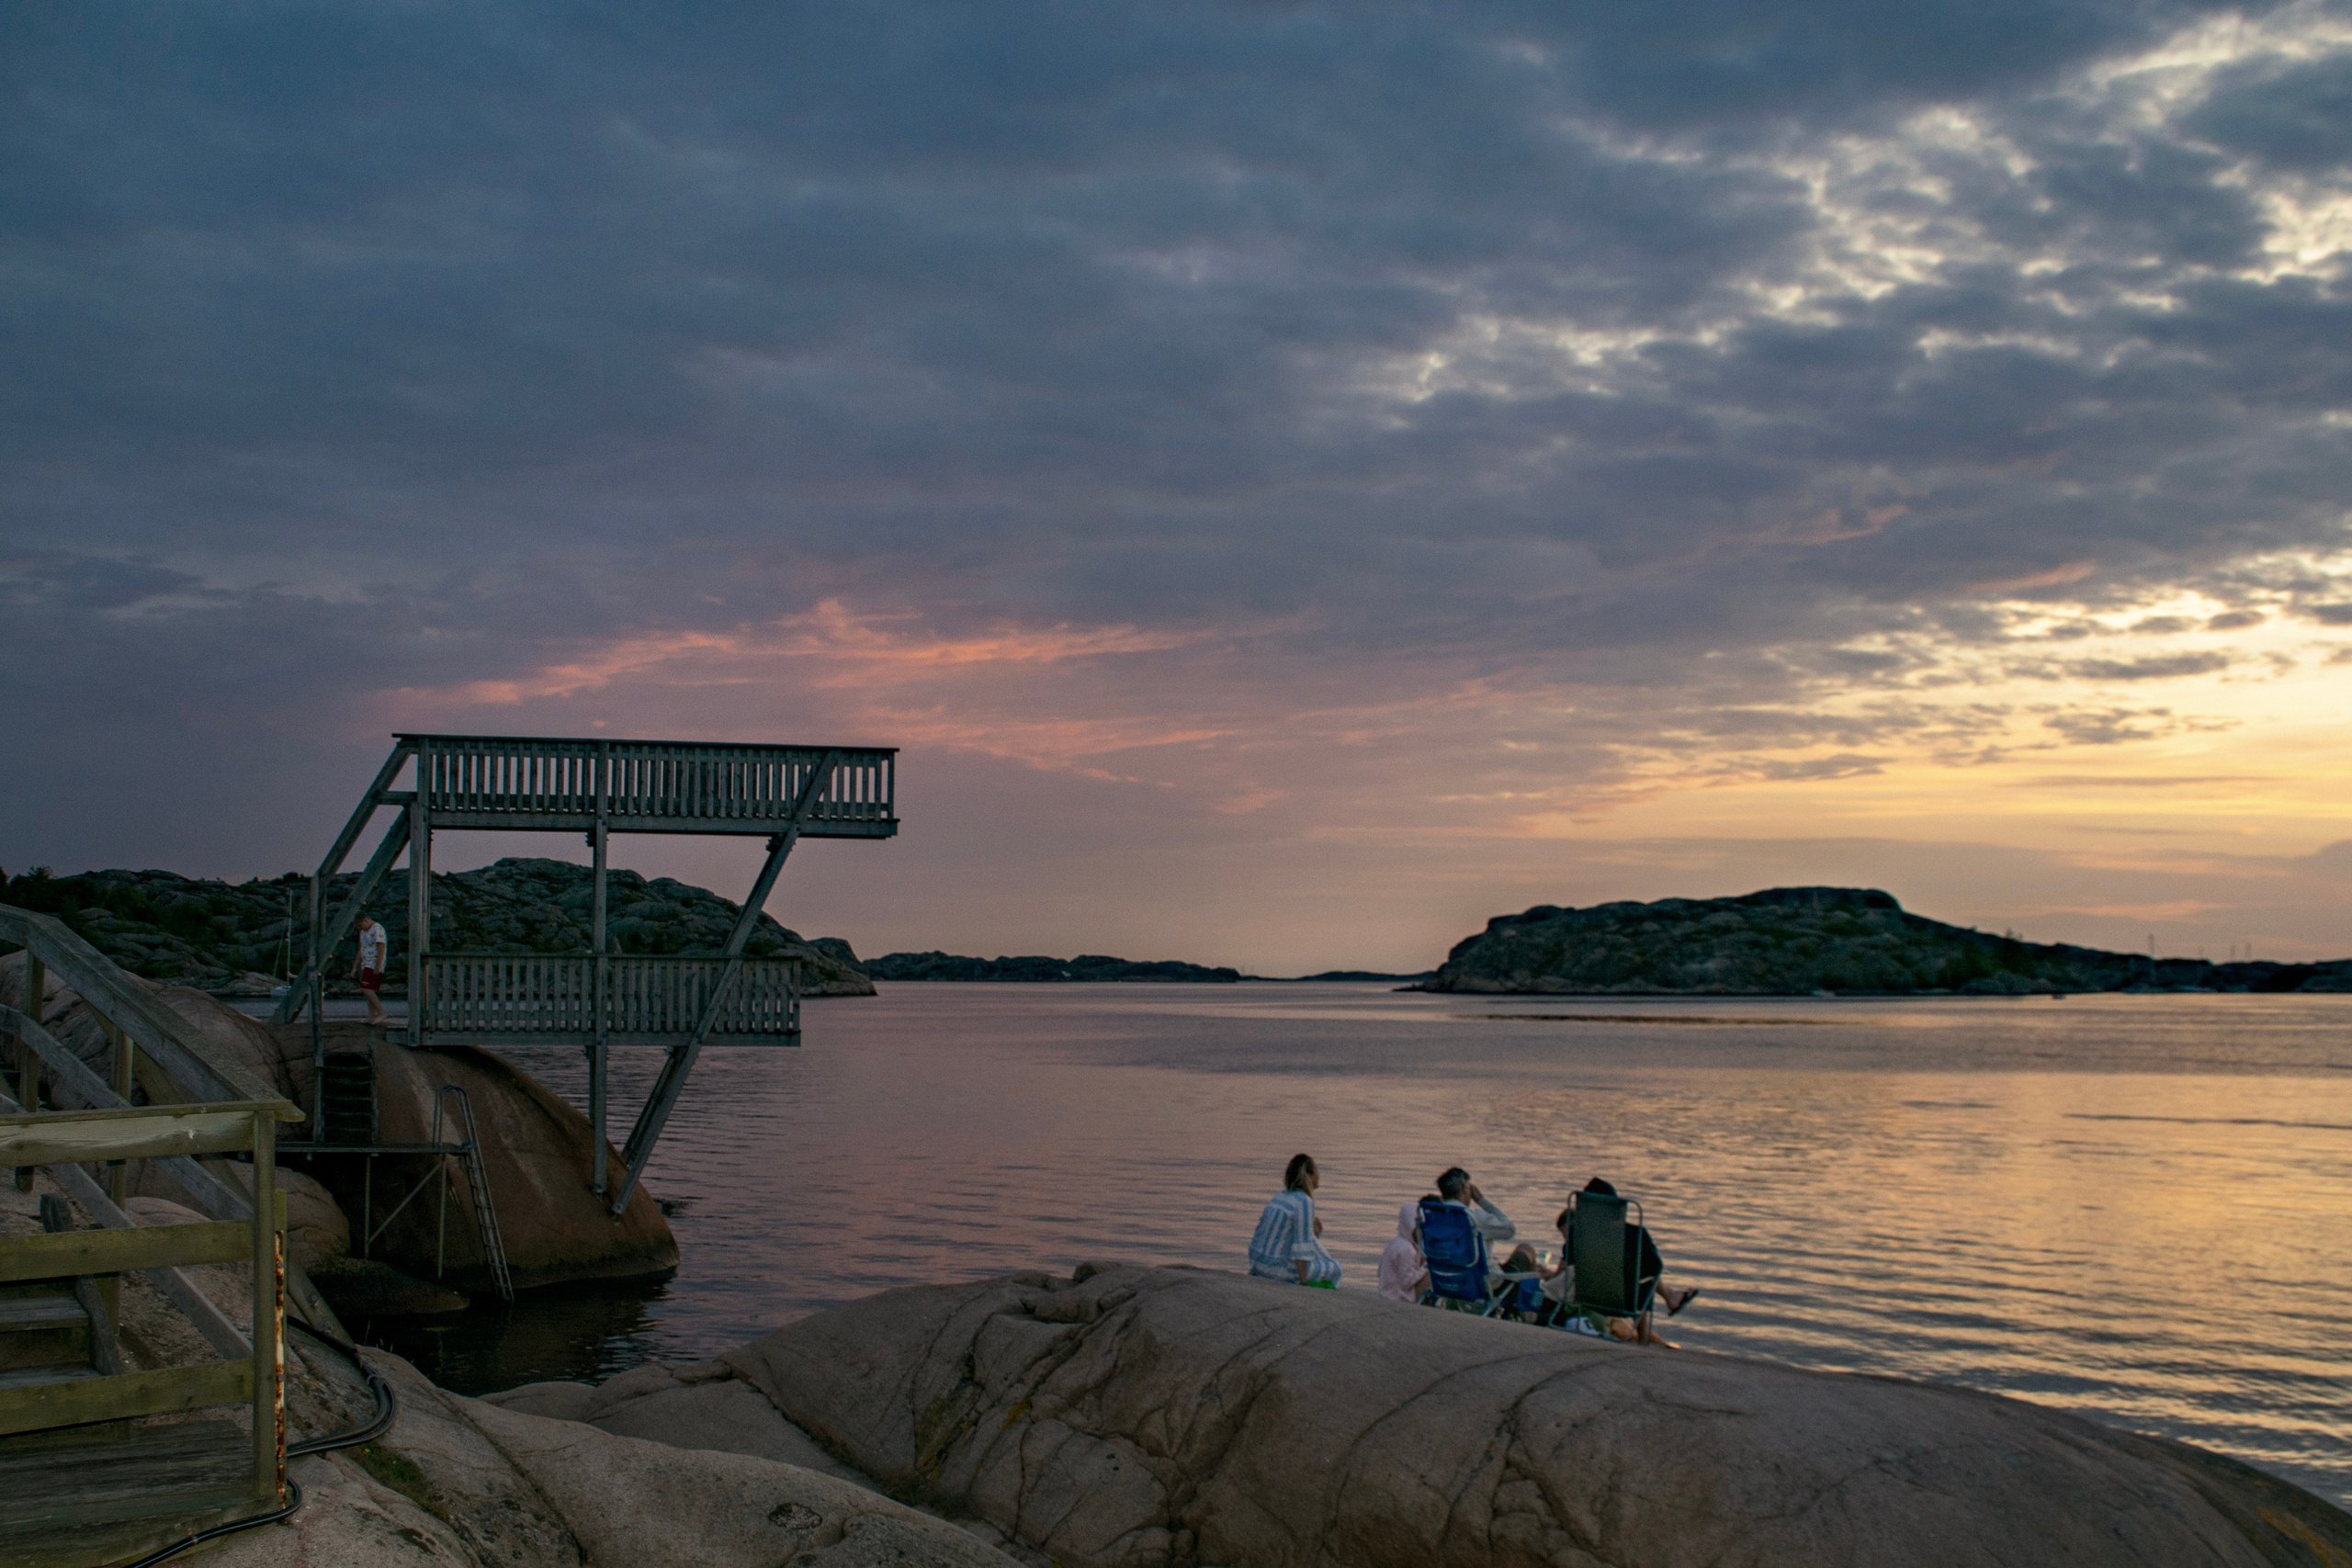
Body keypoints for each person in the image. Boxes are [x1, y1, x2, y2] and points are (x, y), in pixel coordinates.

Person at [1539, 1178, 1698, 1344]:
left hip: (1585, 1296)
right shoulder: (1636, 1235)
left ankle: (1671, 1297)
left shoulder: (1578, 1236)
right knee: (1647, 1283)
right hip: (1625, 1302)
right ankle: (1644, 1340)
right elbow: (1656, 1269)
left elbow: (1568, 1269)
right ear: (1615, 1206)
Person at [1249, 1154, 1341, 1287]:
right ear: (1309, 1175)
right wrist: (1303, 1282)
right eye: (1317, 1170)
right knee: (1336, 1268)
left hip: (1258, 1264)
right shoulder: (1304, 1202)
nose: (1319, 1175)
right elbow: (1301, 1246)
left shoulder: (1280, 1196)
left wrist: (1313, 1234)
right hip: (1276, 1271)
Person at [1376, 1197, 1432, 1302]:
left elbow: (1380, 1271)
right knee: (1430, 1275)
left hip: (1385, 1293)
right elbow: (1407, 1282)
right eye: (1419, 1228)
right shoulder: (1407, 1249)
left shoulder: (1394, 1242)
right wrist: (1425, 1267)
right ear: (1410, 1226)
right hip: (1397, 1297)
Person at [352, 911, 390, 1028]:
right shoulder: (363, 932)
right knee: (369, 990)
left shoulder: (377, 929)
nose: (360, 928)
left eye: (360, 925)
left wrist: (378, 966)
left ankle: (382, 1012)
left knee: (365, 988)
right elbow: (361, 949)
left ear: (366, 920)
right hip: (365, 962)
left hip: (373, 963)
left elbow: (381, 947)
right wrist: (354, 967)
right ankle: (372, 1015)